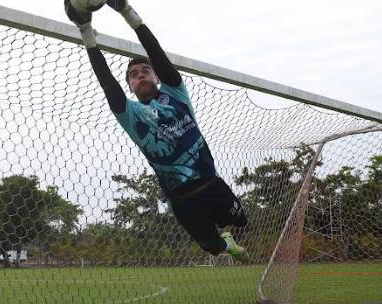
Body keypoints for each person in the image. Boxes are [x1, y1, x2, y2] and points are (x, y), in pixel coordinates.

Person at [64, 0, 250, 262]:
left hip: (211, 184)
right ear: (129, 86)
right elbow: (107, 82)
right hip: (182, 200)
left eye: (145, 71)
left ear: (157, 78)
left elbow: (156, 53)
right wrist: (86, 31)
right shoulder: (130, 115)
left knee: (241, 220)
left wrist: (127, 11)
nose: (140, 75)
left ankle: (228, 232)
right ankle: (225, 244)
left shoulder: (176, 95)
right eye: (133, 75)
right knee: (213, 247)